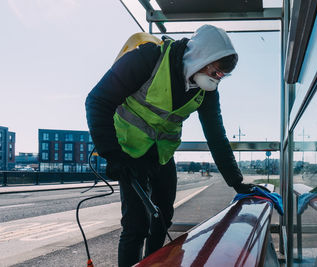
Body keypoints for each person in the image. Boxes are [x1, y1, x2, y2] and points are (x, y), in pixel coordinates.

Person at [85, 24, 254, 266]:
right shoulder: (148, 58)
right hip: (128, 151)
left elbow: (216, 136)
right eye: (216, 72)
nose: (218, 79)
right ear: (201, 57)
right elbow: (97, 100)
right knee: (136, 225)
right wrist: (112, 155)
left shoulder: (206, 92)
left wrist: (237, 181)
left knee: (162, 218)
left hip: (162, 154)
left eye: (222, 76)